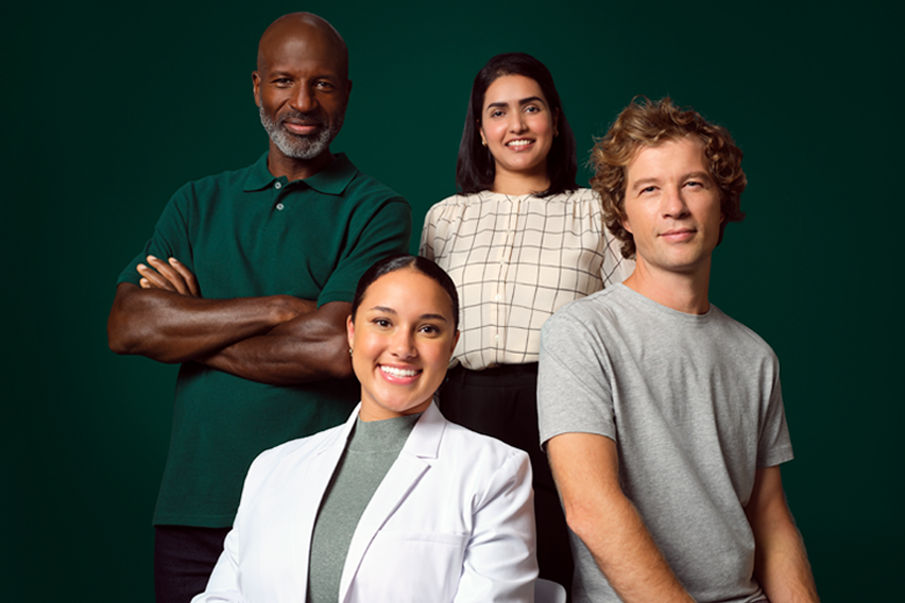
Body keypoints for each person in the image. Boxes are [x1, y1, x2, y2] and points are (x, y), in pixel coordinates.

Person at [106, 12, 411, 601]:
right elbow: (128, 324)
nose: (302, 102)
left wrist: (192, 333)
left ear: (346, 94)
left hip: (313, 507)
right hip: (193, 508)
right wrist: (276, 309)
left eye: (322, 84)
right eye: (283, 81)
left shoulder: (376, 209)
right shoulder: (196, 202)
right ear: (256, 86)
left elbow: (330, 349)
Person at [537, 97, 819, 602]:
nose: (675, 207)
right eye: (649, 189)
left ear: (721, 201)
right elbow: (592, 508)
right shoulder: (579, 334)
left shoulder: (756, 356)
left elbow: (772, 519)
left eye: (693, 183)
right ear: (621, 213)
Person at [191, 255, 538, 602]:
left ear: (451, 346)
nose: (403, 348)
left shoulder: (495, 471)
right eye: (383, 322)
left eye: (428, 329)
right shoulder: (272, 467)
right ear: (352, 332)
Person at [420, 52, 632, 589]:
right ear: (481, 131)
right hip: (460, 406)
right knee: (461, 568)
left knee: (557, 562)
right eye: (498, 112)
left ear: (555, 122)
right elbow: (424, 326)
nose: (516, 125)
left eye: (530, 108)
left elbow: (634, 319)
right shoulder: (444, 218)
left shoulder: (596, 210)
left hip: (561, 409)